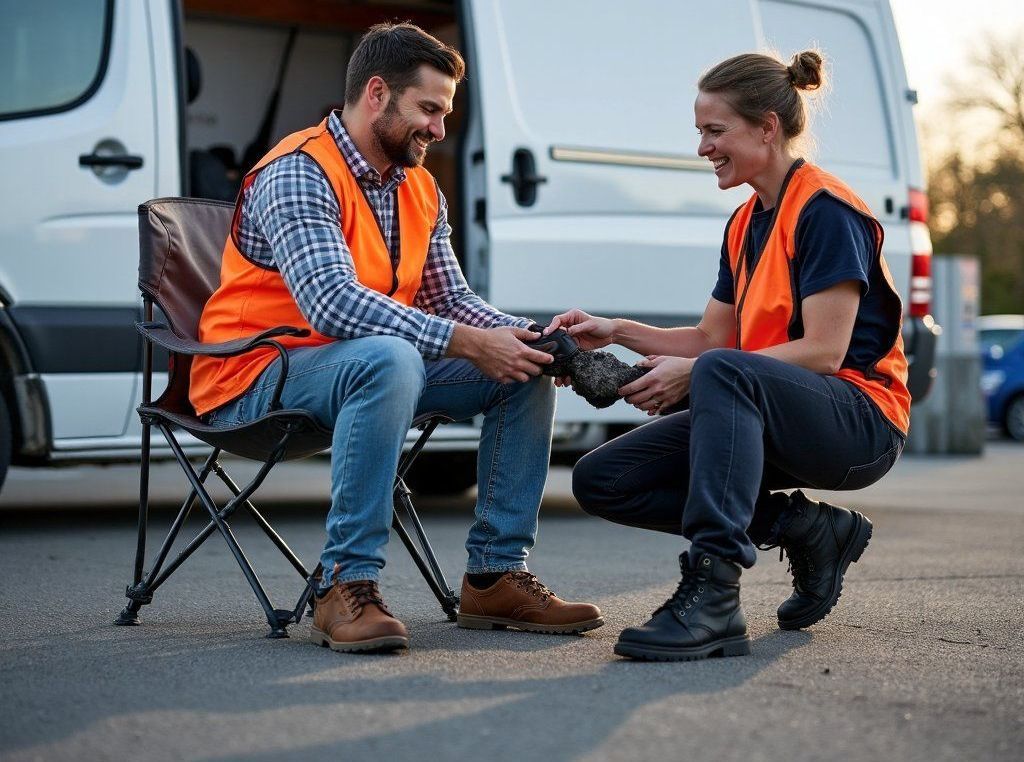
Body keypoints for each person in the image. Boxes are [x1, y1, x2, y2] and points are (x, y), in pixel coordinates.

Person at [190, 22, 602, 654]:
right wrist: (464, 342)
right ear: (377, 94)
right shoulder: (299, 171)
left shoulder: (419, 186)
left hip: (355, 370)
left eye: (445, 113)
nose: (440, 129)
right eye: (430, 109)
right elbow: (332, 303)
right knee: (390, 357)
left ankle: (495, 576)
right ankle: (343, 584)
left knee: (520, 368)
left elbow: (451, 300)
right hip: (251, 377)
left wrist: (531, 338)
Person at [549, 50, 909, 661]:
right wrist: (615, 331)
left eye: (715, 132)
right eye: (701, 133)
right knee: (604, 480)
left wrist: (700, 373)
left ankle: (713, 595)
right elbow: (715, 342)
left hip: (860, 424)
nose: (703, 149)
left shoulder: (825, 211)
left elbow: (824, 352)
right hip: (778, 414)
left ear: (767, 127)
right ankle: (804, 529)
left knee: (720, 374)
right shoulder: (745, 222)